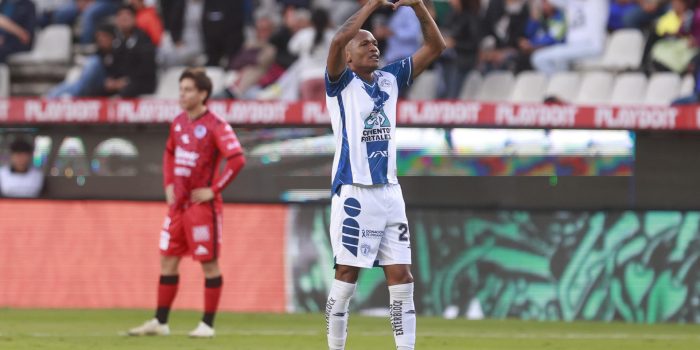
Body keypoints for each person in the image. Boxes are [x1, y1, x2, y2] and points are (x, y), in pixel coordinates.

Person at [323, 1, 445, 349]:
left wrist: (418, 6)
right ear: (347, 56)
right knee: (346, 278)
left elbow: (436, 47)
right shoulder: (340, 84)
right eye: (364, 43)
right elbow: (336, 40)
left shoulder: (390, 79)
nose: (374, 45)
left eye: (376, 42)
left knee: (402, 278)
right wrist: (372, 4)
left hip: (390, 192)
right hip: (354, 192)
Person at [127, 68, 246, 338]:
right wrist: (168, 184)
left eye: (188, 90)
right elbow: (169, 153)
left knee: (209, 264)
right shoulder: (178, 122)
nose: (182, 95)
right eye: (181, 90)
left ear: (203, 94)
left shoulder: (217, 125)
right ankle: (160, 321)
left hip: (202, 208)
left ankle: (207, 325)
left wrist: (213, 190)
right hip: (177, 206)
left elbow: (237, 159)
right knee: (168, 261)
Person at [531, 0, 608, 74]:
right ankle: (561, 83)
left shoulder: (597, 2)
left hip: (591, 46)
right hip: (572, 47)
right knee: (542, 58)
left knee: (540, 58)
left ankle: (559, 83)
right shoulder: (570, 2)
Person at [102, 5, 157, 98]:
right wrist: (112, 81)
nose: (124, 18)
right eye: (120, 15)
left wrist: (126, 81)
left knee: (128, 90)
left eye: (128, 15)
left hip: (141, 83)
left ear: (135, 19)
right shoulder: (115, 41)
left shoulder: (144, 39)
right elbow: (112, 64)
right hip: (121, 83)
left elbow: (146, 69)